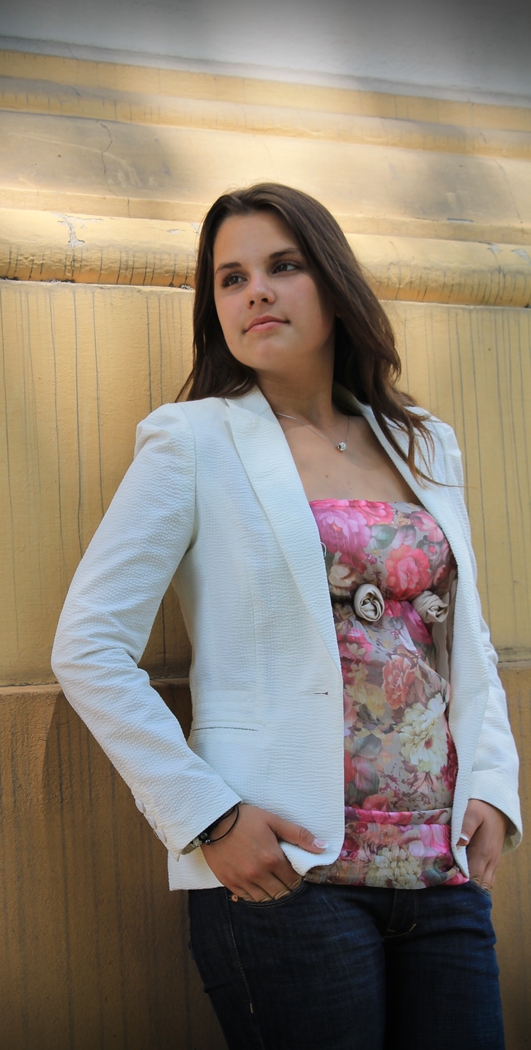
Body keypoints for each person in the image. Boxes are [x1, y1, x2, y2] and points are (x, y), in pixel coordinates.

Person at [52, 183, 521, 1050]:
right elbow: (88, 645)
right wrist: (208, 819)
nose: (255, 292)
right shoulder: (193, 442)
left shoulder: (423, 441)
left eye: (283, 266)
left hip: (439, 869)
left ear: (334, 285)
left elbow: (466, 637)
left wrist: (494, 783)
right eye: (230, 279)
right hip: (287, 877)